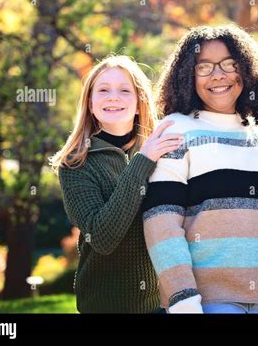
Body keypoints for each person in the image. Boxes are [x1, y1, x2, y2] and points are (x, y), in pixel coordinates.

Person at [142, 25, 258, 314]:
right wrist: (183, 299)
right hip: (204, 301)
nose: (218, 75)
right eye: (204, 67)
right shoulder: (176, 129)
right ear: (187, 76)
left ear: (245, 69)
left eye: (229, 64)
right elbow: (160, 221)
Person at [51, 55, 183, 313]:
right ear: (90, 104)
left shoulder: (164, 153)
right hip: (106, 307)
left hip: (164, 304)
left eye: (124, 90)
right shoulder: (75, 164)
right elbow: (102, 238)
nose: (113, 97)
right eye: (103, 90)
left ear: (138, 104)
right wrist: (142, 162)